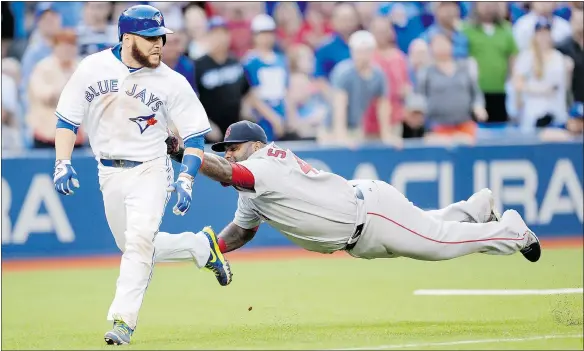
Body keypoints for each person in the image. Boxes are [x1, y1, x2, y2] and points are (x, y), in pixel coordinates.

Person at [51, 5, 232, 345]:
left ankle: (123, 321)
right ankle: (201, 247)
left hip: (151, 169)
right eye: (150, 38)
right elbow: (67, 120)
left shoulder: (171, 81)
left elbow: (194, 136)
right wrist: (62, 162)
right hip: (108, 172)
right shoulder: (92, 68)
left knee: (138, 244)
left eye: (161, 37)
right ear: (127, 37)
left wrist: (187, 177)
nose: (158, 44)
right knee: (134, 244)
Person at [164, 120, 541, 275]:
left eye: (234, 146)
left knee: (438, 244)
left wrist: (188, 155)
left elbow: (230, 173)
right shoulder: (255, 185)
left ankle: (511, 231)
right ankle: (473, 209)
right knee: (431, 231)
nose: (228, 152)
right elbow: (244, 230)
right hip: (361, 233)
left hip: (371, 214)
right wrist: (212, 247)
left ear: (257, 144)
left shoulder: (265, 163)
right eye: (224, 148)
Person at [327, 30, 393, 146]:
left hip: (355, 127)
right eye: (359, 51)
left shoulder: (378, 75)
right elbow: (340, 104)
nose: (362, 55)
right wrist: (341, 135)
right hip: (331, 128)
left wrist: (386, 134)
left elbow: (383, 105)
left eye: (367, 51)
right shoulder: (343, 72)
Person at [194, 16, 251, 143]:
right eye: (215, 34)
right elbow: (189, 102)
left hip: (235, 131)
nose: (220, 38)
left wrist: (246, 110)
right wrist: (205, 125)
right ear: (208, 37)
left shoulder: (235, 62)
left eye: (223, 33)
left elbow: (246, 92)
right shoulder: (198, 65)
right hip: (210, 133)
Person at [26, 29, 85, 149]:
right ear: (55, 47)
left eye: (71, 46)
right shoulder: (43, 68)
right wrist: (68, 81)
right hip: (46, 135)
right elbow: (46, 96)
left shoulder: (81, 67)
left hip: (75, 136)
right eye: (63, 46)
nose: (67, 50)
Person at [463, 2, 519, 124]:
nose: (487, 6)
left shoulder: (506, 29)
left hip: (500, 92)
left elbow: (512, 57)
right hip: (475, 94)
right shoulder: (466, 30)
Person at [242, 14, 291, 141]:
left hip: (281, 113)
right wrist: (274, 119)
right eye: (262, 33)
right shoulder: (250, 61)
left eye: (269, 33)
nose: (266, 37)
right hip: (261, 120)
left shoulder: (281, 59)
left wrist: (288, 117)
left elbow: (286, 90)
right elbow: (252, 95)